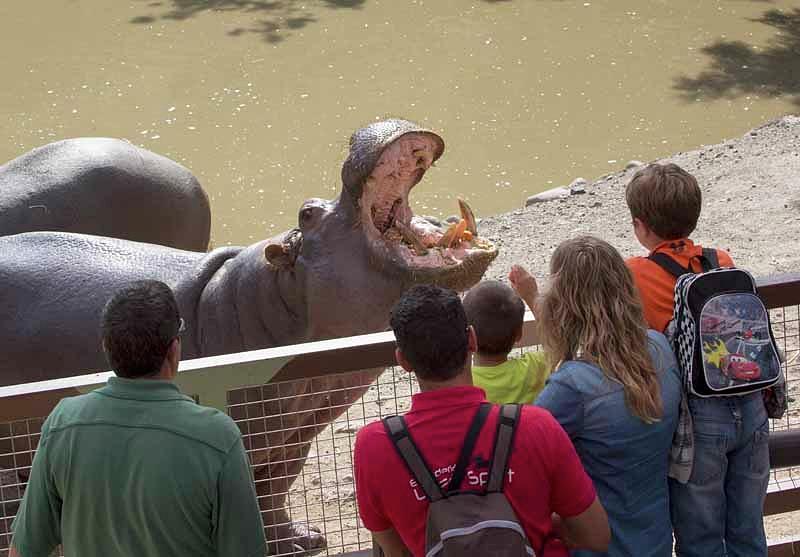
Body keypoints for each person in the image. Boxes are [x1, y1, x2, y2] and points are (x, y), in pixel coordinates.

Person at [9, 280, 266, 557]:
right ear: (174, 348)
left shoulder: (62, 423)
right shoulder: (218, 436)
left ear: (106, 347)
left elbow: (23, 550)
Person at [354, 285, 610, 557]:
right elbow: (596, 535)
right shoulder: (536, 427)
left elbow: (397, 550)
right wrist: (540, 521)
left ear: (402, 360)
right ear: (472, 340)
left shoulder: (375, 446)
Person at [624, 163, 769, 557]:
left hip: (698, 418)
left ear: (640, 225)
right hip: (751, 406)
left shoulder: (635, 272)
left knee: (701, 538)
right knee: (748, 529)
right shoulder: (720, 259)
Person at [534, 236, 682, 557]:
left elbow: (522, 452)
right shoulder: (660, 348)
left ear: (562, 305)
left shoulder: (572, 386)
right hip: (655, 540)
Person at [463, 276, 549, 403]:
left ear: (469, 338)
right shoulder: (535, 367)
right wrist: (532, 297)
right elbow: (556, 343)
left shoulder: (466, 385)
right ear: (519, 334)